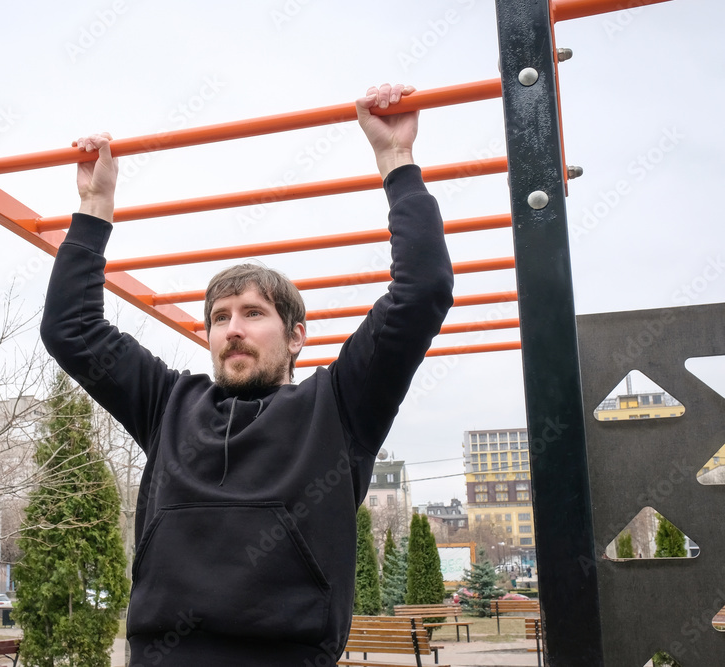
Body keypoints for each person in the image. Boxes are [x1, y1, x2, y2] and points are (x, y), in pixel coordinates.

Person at [41, 83, 454, 666]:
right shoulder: (168, 404)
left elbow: (421, 293)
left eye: (253, 313)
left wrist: (396, 162)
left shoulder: (337, 407)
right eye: (219, 317)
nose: (232, 328)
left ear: (296, 336)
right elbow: (70, 330)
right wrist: (93, 208)